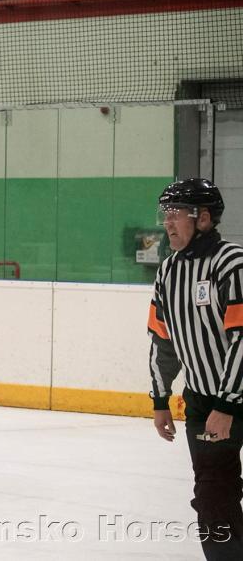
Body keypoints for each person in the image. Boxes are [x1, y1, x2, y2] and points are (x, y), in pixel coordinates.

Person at [149, 178, 243, 560]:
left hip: (230, 400)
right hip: (204, 403)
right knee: (213, 496)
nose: (168, 223)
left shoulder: (232, 263)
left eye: (177, 215)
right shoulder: (168, 272)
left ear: (203, 218)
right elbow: (162, 340)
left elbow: (242, 337)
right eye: (165, 215)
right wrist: (159, 399)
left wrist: (229, 404)